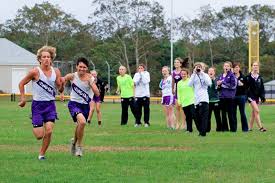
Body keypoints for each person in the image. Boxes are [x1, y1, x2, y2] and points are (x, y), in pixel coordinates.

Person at [18, 46, 63, 160]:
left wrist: (62, 85)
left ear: (51, 58)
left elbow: (60, 88)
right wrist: (23, 99)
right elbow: (21, 83)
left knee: (49, 131)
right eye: (44, 57)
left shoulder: (56, 71)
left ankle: (41, 155)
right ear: (40, 59)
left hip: (50, 105)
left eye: (48, 57)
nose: (47, 59)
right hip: (37, 106)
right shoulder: (35, 72)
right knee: (39, 136)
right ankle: (33, 116)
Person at [62, 57, 99, 157]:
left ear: (87, 68)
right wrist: (61, 91)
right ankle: (79, 147)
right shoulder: (72, 76)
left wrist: (92, 84)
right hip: (73, 104)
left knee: (80, 125)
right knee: (82, 122)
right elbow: (63, 80)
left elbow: (97, 92)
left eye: (84, 67)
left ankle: (74, 143)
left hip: (85, 105)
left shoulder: (90, 78)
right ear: (76, 66)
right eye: (80, 67)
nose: (82, 69)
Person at [188, 62, 211, 136]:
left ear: (203, 68)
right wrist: (194, 73)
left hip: (204, 98)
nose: (198, 68)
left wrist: (202, 73)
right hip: (196, 99)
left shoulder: (205, 75)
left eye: (199, 67)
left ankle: (203, 133)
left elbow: (209, 83)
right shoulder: (193, 76)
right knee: (196, 116)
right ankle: (201, 130)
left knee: (203, 116)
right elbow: (189, 84)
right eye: (196, 67)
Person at [246, 61, 267, 132]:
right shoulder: (248, 77)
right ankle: (260, 127)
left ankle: (249, 128)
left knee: (254, 113)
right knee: (257, 111)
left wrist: (262, 97)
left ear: (258, 67)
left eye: (256, 65)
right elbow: (245, 87)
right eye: (254, 65)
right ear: (251, 67)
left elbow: (262, 88)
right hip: (250, 96)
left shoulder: (260, 78)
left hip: (257, 97)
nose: (255, 66)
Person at [217, 61, 237, 132]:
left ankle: (233, 129)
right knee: (223, 114)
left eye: (228, 66)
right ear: (223, 67)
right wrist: (218, 85)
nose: (226, 67)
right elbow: (219, 88)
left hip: (230, 98)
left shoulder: (232, 75)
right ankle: (225, 128)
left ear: (230, 67)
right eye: (225, 66)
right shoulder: (220, 75)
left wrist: (223, 82)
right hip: (222, 97)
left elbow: (233, 86)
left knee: (230, 114)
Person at [177, 68, 197, 132]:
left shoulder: (190, 81)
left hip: (192, 101)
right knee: (188, 117)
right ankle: (189, 129)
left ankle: (200, 128)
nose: (183, 75)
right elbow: (178, 92)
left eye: (185, 74)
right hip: (184, 102)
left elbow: (195, 90)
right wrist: (179, 101)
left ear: (187, 74)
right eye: (182, 74)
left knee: (194, 115)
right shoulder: (179, 83)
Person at [232, 62, 249, 132]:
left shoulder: (243, 77)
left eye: (237, 67)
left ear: (239, 68)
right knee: (233, 113)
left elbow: (247, 87)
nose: (236, 69)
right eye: (235, 67)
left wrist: (242, 84)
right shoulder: (231, 76)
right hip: (233, 97)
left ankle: (245, 129)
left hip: (241, 97)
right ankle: (234, 129)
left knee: (242, 113)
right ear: (233, 69)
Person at [172, 58, 186, 130]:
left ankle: (183, 124)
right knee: (177, 108)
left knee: (183, 109)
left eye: (177, 62)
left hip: (183, 91)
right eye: (175, 62)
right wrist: (172, 90)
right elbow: (173, 81)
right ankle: (177, 123)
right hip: (177, 92)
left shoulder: (183, 71)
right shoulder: (173, 72)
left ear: (180, 64)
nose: (176, 63)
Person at [207, 67, 222, 132]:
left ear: (214, 72)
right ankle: (207, 129)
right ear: (207, 72)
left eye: (212, 71)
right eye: (209, 71)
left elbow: (219, 89)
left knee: (217, 116)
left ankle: (219, 129)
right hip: (208, 101)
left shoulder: (217, 80)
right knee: (208, 117)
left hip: (216, 100)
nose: (211, 72)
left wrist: (218, 85)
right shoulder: (206, 80)